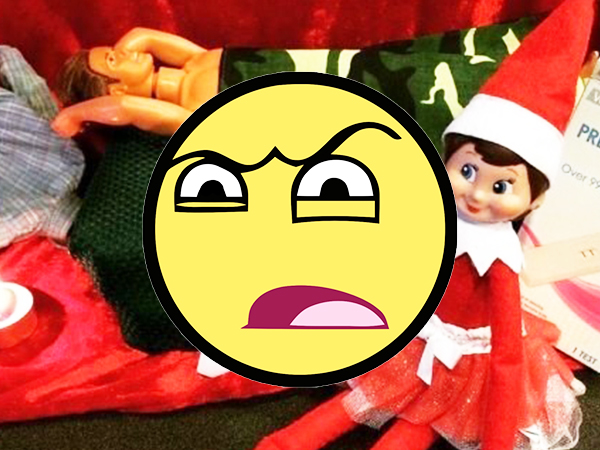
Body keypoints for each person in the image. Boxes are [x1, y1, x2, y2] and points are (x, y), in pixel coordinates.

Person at [254, 0, 593, 449]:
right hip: (410, 338)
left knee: (416, 424)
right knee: (359, 400)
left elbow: (507, 358)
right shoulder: (432, 219)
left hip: (463, 365)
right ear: (446, 158)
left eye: (502, 186)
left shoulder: (499, 261)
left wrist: (497, 439)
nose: (476, 194)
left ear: (536, 199)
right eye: (467, 170)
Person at [53, 28, 222, 136]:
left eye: (114, 49)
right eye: (112, 60)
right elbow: (125, 107)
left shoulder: (196, 59)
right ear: (117, 91)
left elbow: (144, 36)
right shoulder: (187, 116)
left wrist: (121, 55)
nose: (123, 53)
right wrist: (73, 115)